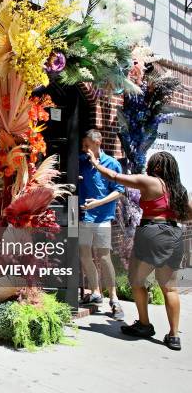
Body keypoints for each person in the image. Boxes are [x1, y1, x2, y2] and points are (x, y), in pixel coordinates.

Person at [87, 150, 192, 350]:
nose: (148, 167)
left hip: (151, 233)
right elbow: (190, 214)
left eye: (152, 164)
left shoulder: (151, 182)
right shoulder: (179, 189)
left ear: (158, 167)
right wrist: (171, 219)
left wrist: (95, 162)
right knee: (169, 287)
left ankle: (144, 325)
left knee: (136, 280)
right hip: (173, 234)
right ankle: (174, 335)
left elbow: (115, 176)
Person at [78, 130, 126, 320]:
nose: (83, 148)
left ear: (98, 142)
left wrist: (98, 203)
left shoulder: (112, 164)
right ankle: (96, 292)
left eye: (86, 145)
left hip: (102, 218)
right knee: (84, 255)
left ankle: (114, 298)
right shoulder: (82, 162)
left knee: (104, 257)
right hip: (82, 216)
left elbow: (119, 191)